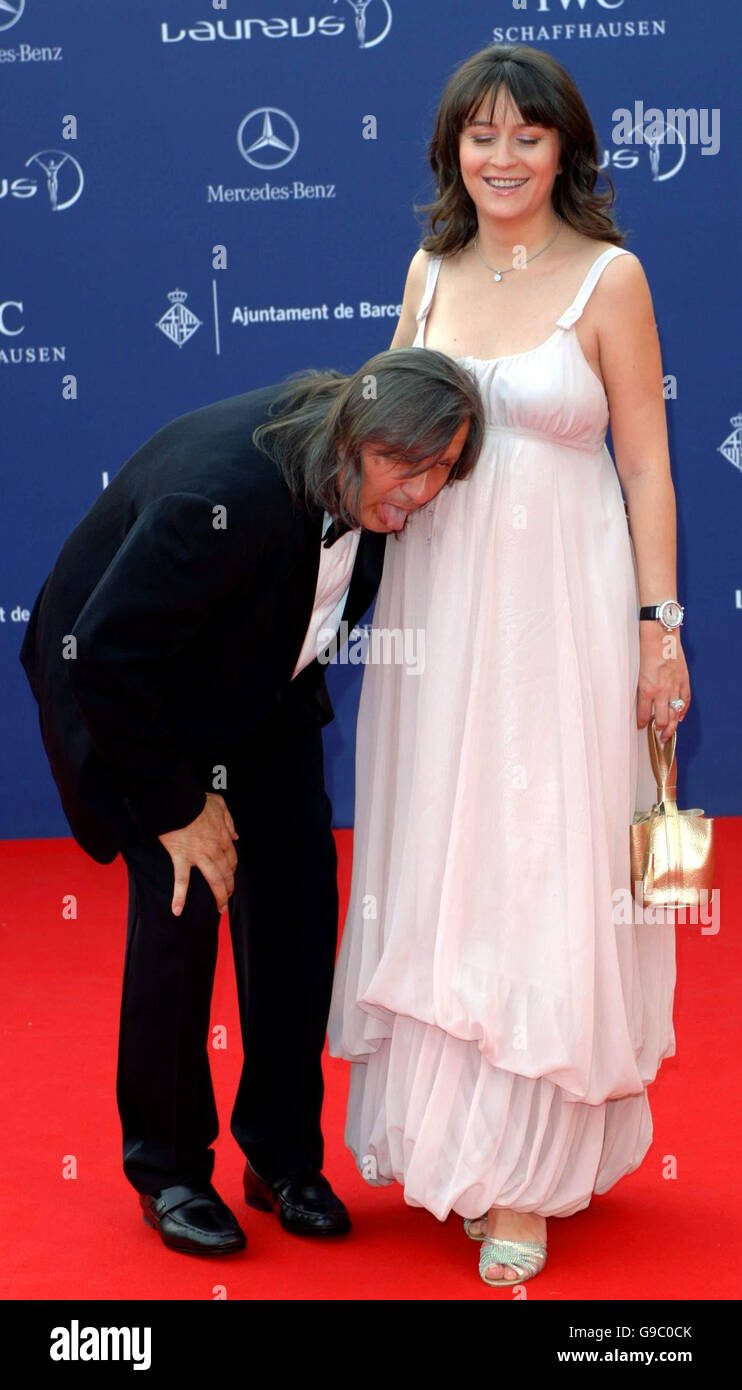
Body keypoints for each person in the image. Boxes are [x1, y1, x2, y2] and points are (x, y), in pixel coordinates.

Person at [328, 44, 689, 1287]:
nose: (502, 157)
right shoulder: (427, 274)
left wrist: (659, 626)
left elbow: (646, 462)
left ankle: (528, 1173)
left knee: (541, 857)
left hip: (559, 624)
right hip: (437, 624)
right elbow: (381, 434)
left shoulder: (609, 277)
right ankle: (451, 1135)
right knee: (448, 855)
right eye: (480, 135)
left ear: (562, 149)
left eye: (526, 135)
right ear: (452, 152)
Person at [19, 347, 484, 1256]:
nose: (423, 493)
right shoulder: (220, 501)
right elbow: (106, 654)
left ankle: (282, 1157)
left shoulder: (366, 482)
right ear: (351, 441)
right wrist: (177, 807)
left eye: (442, 469)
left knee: (299, 908)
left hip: (254, 687)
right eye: (406, 467)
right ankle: (169, 1172)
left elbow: (295, 606)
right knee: (185, 904)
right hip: (132, 695)